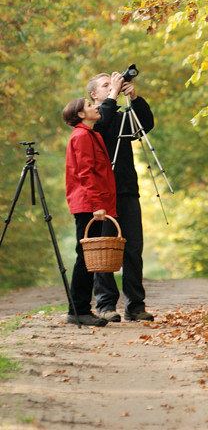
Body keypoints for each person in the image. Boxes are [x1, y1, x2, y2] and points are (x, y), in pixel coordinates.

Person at [86, 71, 155, 322]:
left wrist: (135, 98)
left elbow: (145, 125)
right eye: (105, 85)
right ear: (94, 94)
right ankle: (105, 305)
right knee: (104, 249)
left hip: (127, 190)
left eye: (112, 84)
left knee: (133, 249)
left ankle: (135, 305)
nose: (111, 86)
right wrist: (113, 95)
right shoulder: (92, 118)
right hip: (103, 195)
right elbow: (102, 122)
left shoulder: (121, 117)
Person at [62, 97, 117, 327]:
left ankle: (81, 308)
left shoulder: (90, 134)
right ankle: (78, 310)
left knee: (86, 256)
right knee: (85, 257)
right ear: (81, 114)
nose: (96, 107)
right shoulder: (82, 135)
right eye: (90, 105)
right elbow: (85, 173)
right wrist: (96, 205)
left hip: (91, 203)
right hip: (88, 204)